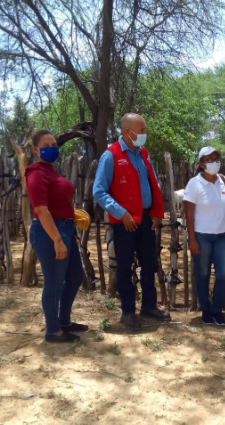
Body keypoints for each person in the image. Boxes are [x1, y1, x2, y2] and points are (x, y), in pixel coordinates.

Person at [93, 113, 170, 332]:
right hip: (124, 222)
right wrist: (122, 213)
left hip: (145, 219)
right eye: (142, 130)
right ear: (128, 132)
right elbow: (98, 191)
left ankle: (148, 307)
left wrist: (156, 211)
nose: (145, 134)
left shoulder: (143, 153)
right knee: (125, 268)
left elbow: (152, 182)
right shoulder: (111, 155)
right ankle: (127, 313)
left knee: (150, 264)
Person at [26, 129, 87, 342]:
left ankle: (64, 320)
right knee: (54, 282)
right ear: (35, 149)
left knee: (75, 276)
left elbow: (57, 201)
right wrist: (57, 240)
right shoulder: (36, 173)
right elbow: (42, 210)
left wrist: (71, 215)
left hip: (65, 228)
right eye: (46, 145)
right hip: (49, 233)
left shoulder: (51, 171)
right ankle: (53, 330)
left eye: (54, 144)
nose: (52, 148)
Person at [183, 147, 225, 326]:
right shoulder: (194, 184)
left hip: (220, 236)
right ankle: (206, 311)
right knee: (202, 274)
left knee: (224, 274)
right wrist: (192, 239)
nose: (214, 162)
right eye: (209, 159)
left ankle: (217, 310)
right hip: (202, 236)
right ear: (201, 164)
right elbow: (189, 215)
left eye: (216, 158)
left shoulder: (224, 181)